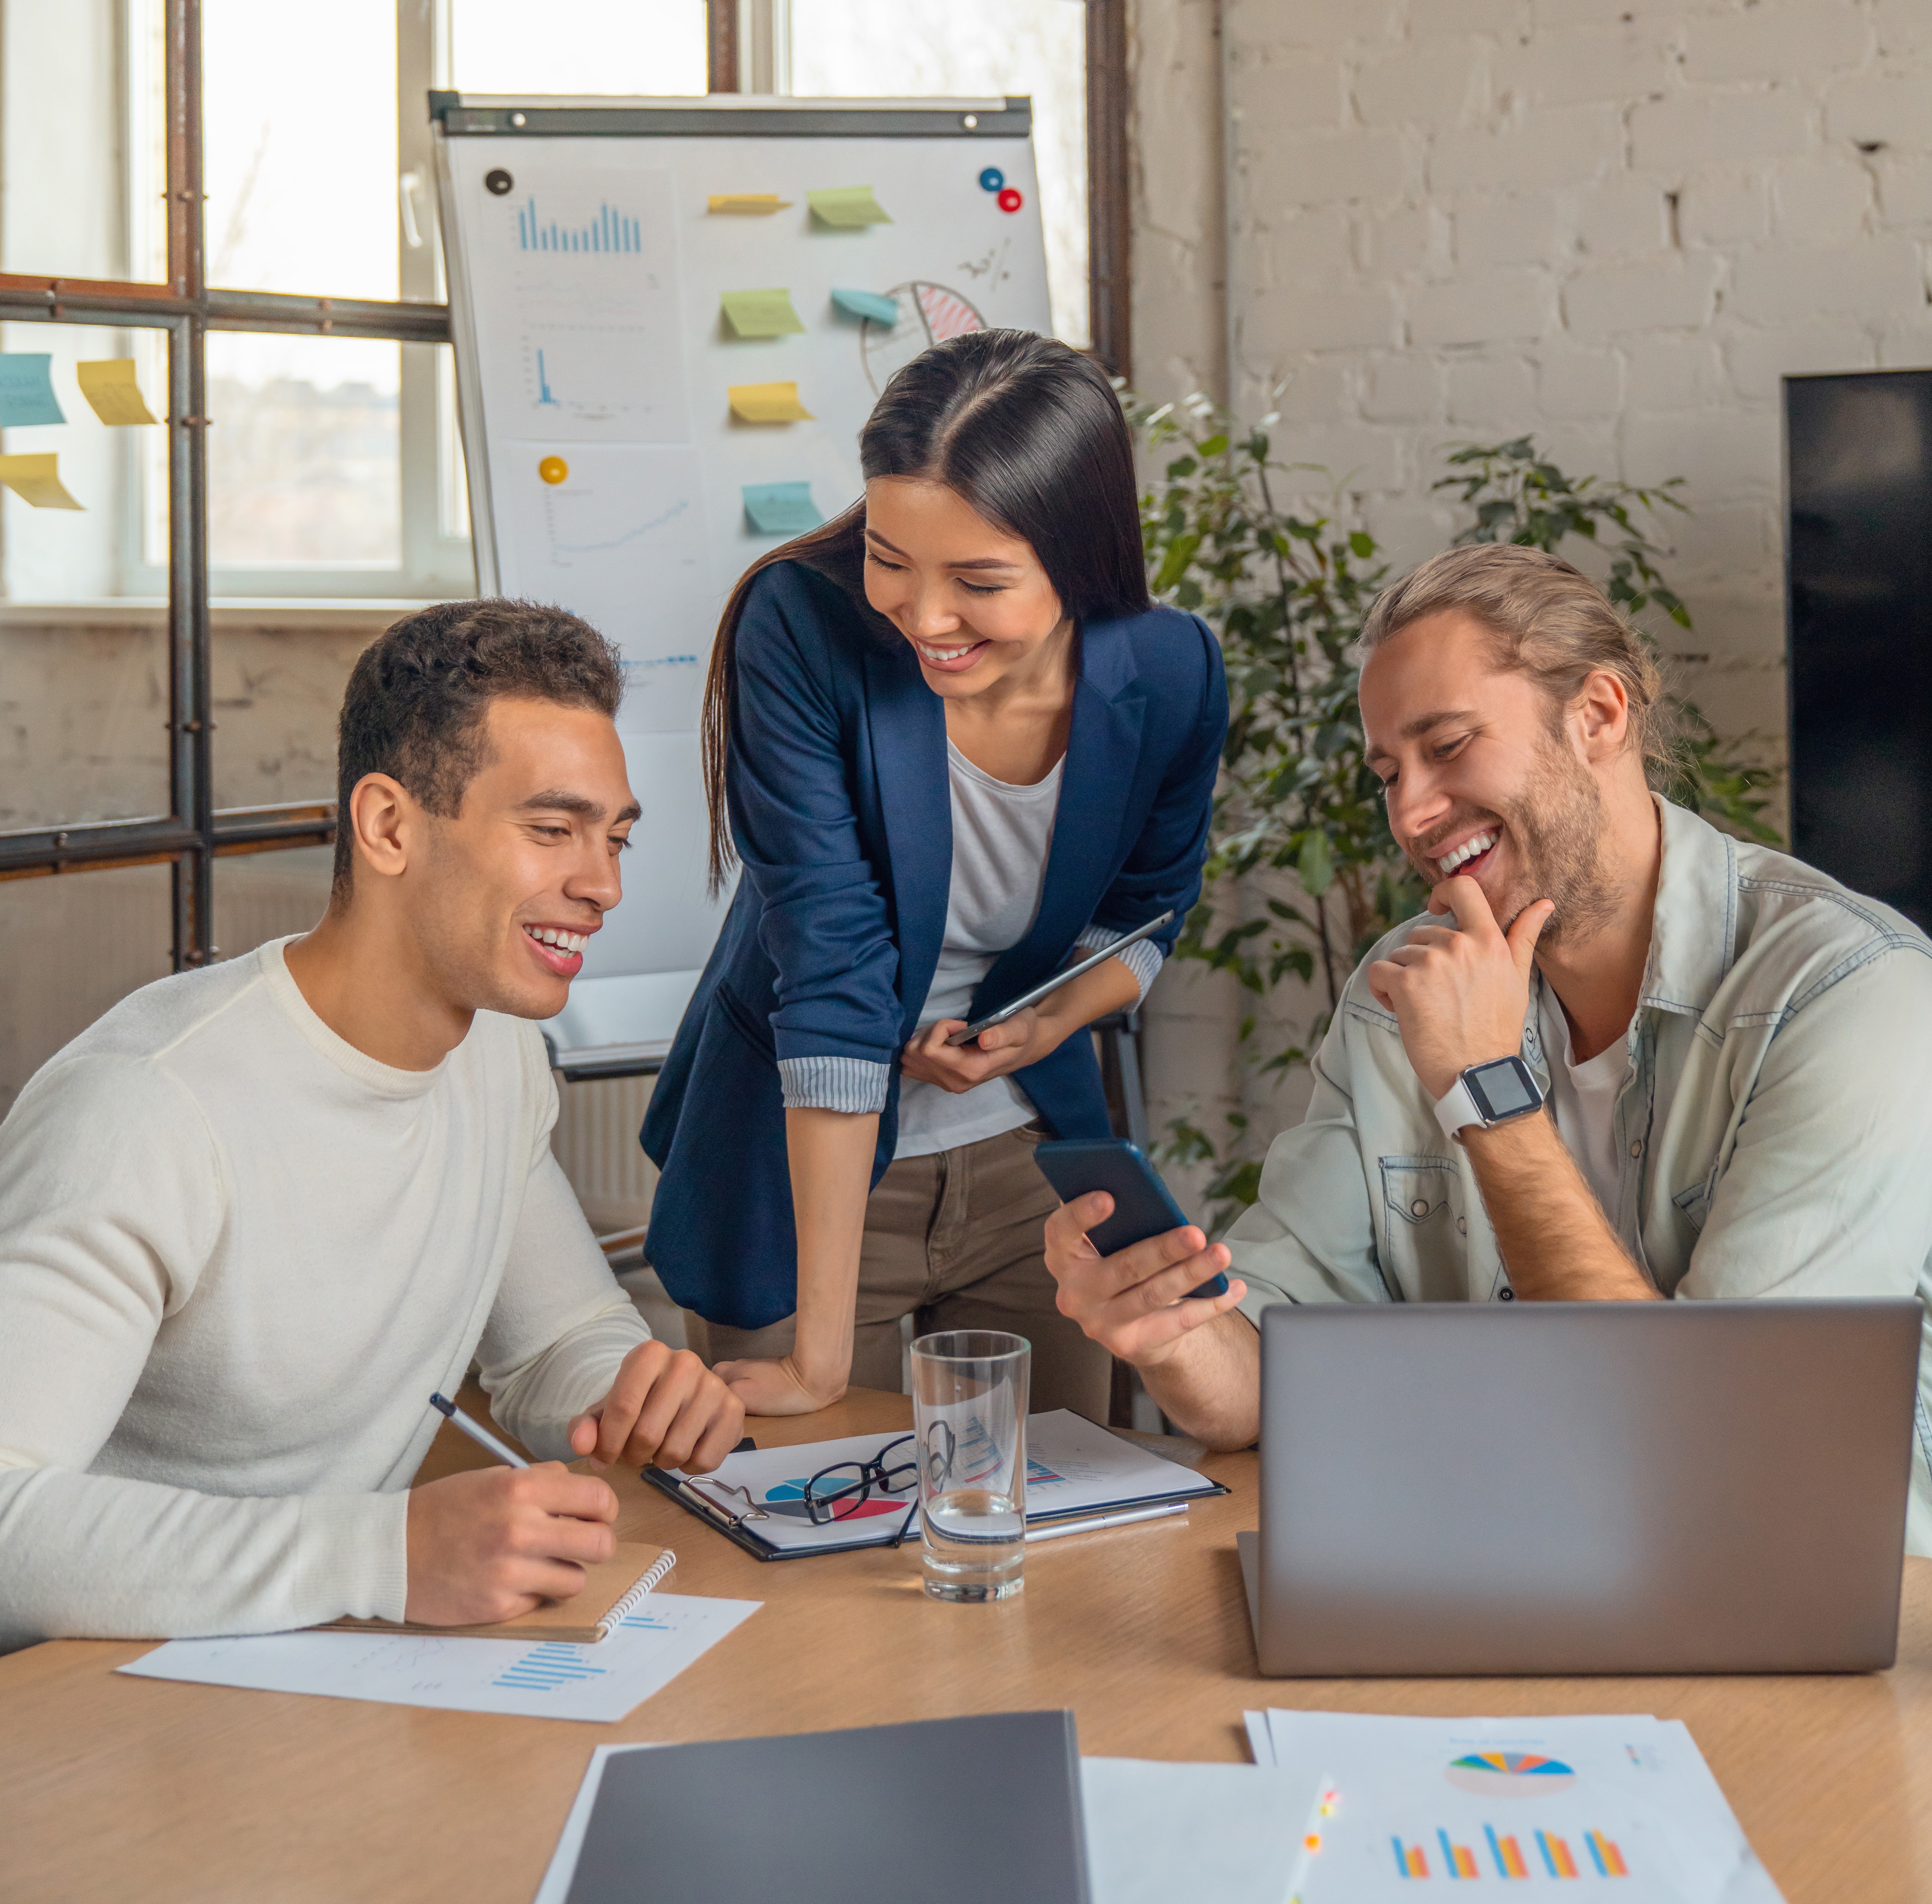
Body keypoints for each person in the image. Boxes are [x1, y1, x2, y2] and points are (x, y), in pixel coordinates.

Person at [1042, 541, 1932, 1547]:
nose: (1410, 813)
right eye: (1389, 771)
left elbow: (1710, 1446)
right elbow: (1256, 1384)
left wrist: (1482, 1089)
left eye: (1449, 745)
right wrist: (1163, 1324)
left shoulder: (1852, 994)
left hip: (1798, 1613)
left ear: (1596, 715)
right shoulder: (1400, 992)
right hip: (1506, 1567)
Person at [0, 600, 743, 1651]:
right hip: (90, 1704)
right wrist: (381, 1554)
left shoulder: (497, 1057)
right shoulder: (146, 1108)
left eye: (613, 837)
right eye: (551, 830)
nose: (603, 885)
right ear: (389, 826)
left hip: (313, 1671)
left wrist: (631, 1391)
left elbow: (555, 1345)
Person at [642, 331, 1228, 1420]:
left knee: (1057, 1532)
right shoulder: (803, 629)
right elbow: (832, 966)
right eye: (888, 556)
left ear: (1082, 556)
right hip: (800, 1172)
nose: (921, 615)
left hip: (1029, 1170)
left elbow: (1148, 910)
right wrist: (817, 1361)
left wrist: (1045, 1025)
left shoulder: (1172, 668)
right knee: (815, 1546)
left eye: (978, 581)